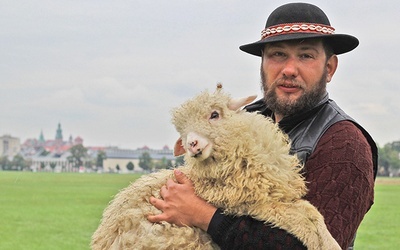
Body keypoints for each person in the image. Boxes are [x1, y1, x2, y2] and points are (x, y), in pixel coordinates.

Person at [147, 3, 378, 249]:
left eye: (306, 55)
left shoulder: (344, 145)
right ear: (262, 64)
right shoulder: (243, 122)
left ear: (329, 68)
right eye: (277, 54)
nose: (289, 69)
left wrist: (203, 215)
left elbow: (305, 246)